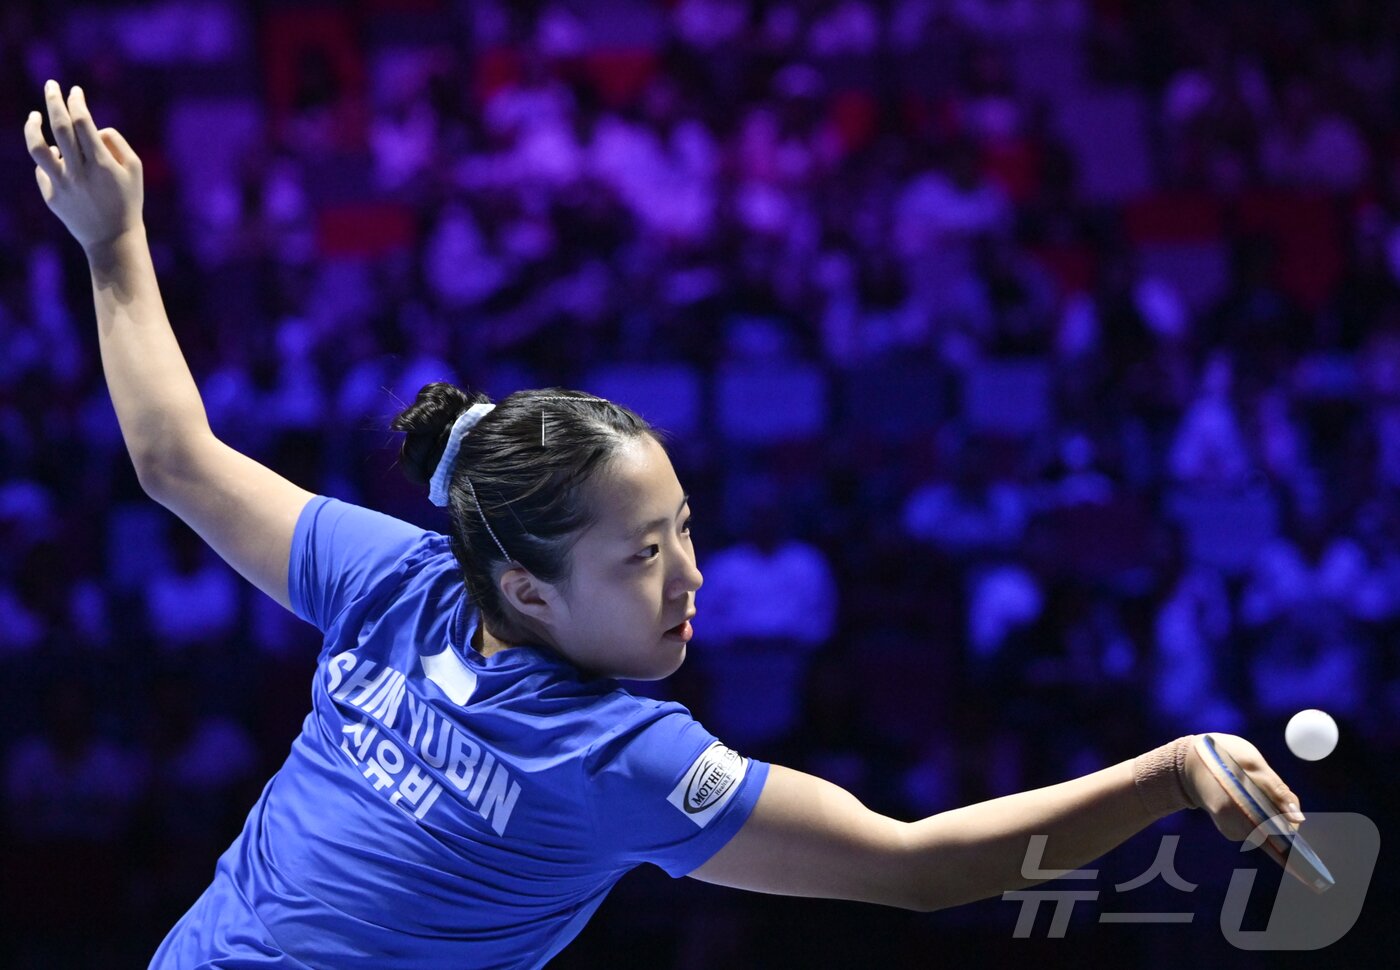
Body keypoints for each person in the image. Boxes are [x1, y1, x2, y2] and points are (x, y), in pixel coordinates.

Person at [25, 81, 1309, 969]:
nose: (693, 577)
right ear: (523, 586)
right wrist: (115, 241)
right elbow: (174, 459)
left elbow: (916, 862)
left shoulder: (628, 757)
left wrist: (1165, 771)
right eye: (643, 554)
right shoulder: (401, 582)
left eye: (685, 529)